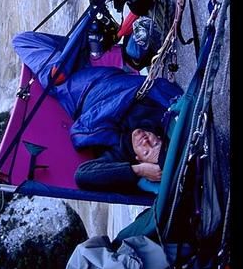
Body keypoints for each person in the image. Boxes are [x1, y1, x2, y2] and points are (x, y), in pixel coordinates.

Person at [12, 31, 182, 194]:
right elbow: (171, 94)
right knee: (101, 37)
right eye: (154, 143)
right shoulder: (157, 118)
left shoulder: (119, 152)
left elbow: (83, 176)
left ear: (139, 159)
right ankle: (85, 42)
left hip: (74, 90)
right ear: (160, 137)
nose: (145, 142)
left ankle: (75, 48)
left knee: (22, 40)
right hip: (106, 73)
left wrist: (137, 171)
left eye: (146, 152)